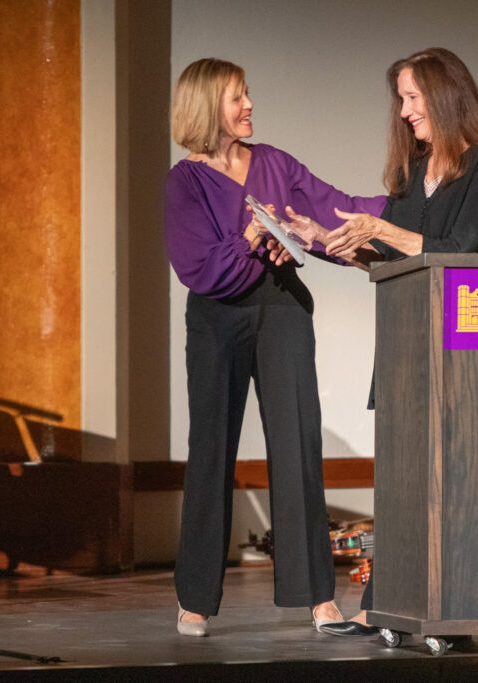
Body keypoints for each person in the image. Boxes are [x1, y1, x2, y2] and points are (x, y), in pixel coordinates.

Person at [285, 47, 478, 635]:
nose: (406, 111)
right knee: (404, 482)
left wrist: (381, 228)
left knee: (456, 483)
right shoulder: (413, 173)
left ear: (444, 95)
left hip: (465, 344)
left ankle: (454, 604)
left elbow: (459, 250)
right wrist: (326, 240)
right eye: (403, 100)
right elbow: (390, 256)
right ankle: (383, 605)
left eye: (413, 97)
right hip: (408, 343)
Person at [164, 57, 386, 637]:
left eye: (248, 94)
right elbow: (200, 268)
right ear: (207, 106)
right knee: (212, 450)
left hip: (282, 309)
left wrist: (407, 213)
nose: (250, 105)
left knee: (298, 445)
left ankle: (316, 595)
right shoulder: (184, 182)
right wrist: (252, 240)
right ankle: (195, 597)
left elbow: (333, 209)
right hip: (217, 320)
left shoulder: (273, 162)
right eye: (238, 97)